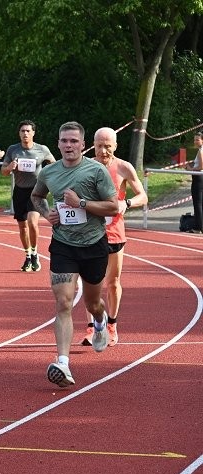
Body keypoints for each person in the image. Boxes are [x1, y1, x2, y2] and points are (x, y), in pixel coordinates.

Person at [30, 121, 118, 388]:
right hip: (63, 245)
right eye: (64, 141)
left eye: (73, 141)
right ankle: (63, 363)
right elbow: (36, 196)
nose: (68, 145)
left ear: (82, 145)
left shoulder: (96, 171)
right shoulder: (49, 172)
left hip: (93, 246)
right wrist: (47, 214)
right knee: (64, 303)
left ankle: (101, 321)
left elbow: (113, 207)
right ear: (58, 144)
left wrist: (80, 203)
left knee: (93, 304)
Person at [78, 127, 148, 346]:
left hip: (115, 234)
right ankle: (92, 327)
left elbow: (143, 197)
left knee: (113, 281)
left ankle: (112, 325)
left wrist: (126, 203)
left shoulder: (123, 168)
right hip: (89, 233)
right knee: (90, 282)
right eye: (99, 146)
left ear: (115, 146)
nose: (103, 151)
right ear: (93, 145)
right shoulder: (84, 166)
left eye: (108, 146)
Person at [1, 120, 56, 272]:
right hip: (19, 191)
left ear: (33, 133)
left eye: (28, 131)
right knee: (23, 226)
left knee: (32, 222)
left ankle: (35, 252)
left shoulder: (41, 149)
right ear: (19, 133)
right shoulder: (13, 149)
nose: (25, 133)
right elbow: (3, 170)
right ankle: (28, 255)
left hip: (36, 191)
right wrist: (10, 167)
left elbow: (53, 162)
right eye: (22, 131)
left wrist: (49, 168)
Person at [184, 131, 203, 233]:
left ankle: (198, 227)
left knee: (198, 203)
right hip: (200, 178)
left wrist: (190, 168)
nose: (195, 142)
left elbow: (201, 167)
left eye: (197, 140)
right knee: (200, 202)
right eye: (194, 139)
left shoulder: (201, 150)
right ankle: (200, 226)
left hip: (198, 178)